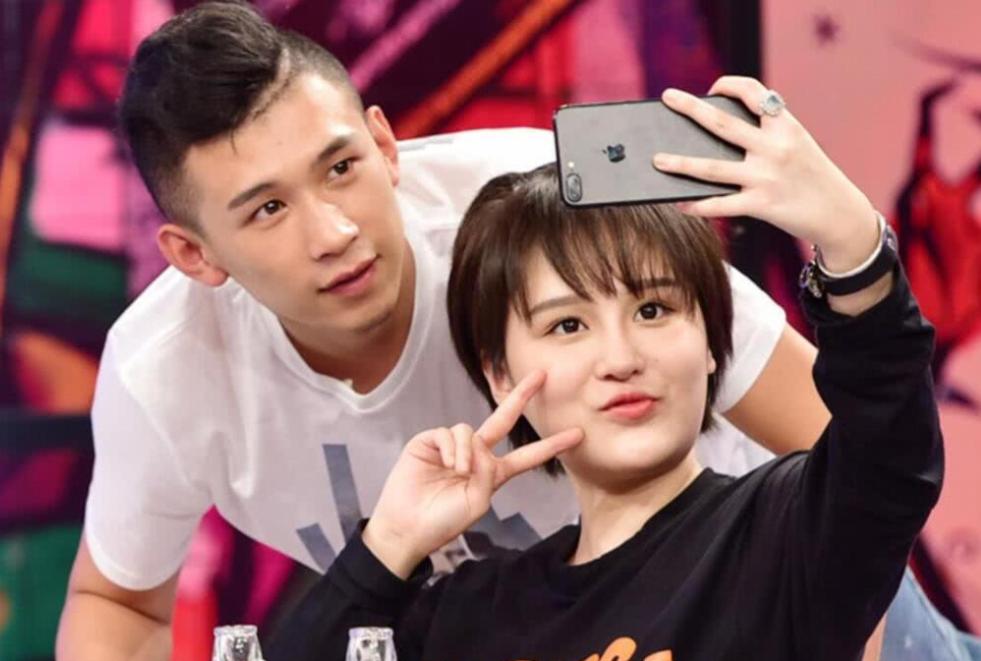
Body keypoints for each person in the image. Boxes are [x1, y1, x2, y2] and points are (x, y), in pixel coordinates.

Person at [49, 3, 934, 659]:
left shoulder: (542, 212)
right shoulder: (166, 374)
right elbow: (117, 603)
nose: (334, 231)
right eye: (268, 209)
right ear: (194, 253)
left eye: (341, 167)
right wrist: (385, 551)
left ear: (385, 145)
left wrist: (822, 611)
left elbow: (854, 449)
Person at [265, 78, 942, 661]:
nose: (620, 359)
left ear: (713, 340)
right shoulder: (473, 614)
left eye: (652, 310)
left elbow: (889, 452)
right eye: (567, 325)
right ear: (501, 376)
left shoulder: (780, 532)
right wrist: (389, 544)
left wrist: (852, 243)